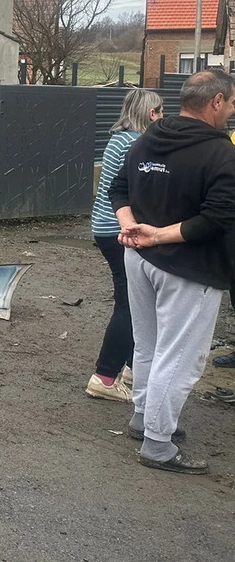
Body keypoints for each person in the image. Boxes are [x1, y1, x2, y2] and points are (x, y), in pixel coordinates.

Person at [109, 68, 235, 475]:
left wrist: (131, 227)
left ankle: (144, 418)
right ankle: (158, 445)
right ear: (216, 102)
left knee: (148, 346)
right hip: (187, 267)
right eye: (231, 103)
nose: (232, 112)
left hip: (140, 257)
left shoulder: (148, 137)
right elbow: (215, 219)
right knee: (180, 358)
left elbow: (118, 189)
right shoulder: (221, 154)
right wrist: (155, 235)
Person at [85, 89, 163, 402]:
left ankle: (132, 368)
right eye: (157, 111)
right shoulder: (136, 143)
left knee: (132, 300)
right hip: (120, 230)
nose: (161, 116)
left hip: (103, 226)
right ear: (146, 113)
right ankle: (104, 378)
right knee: (129, 306)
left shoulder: (118, 138)